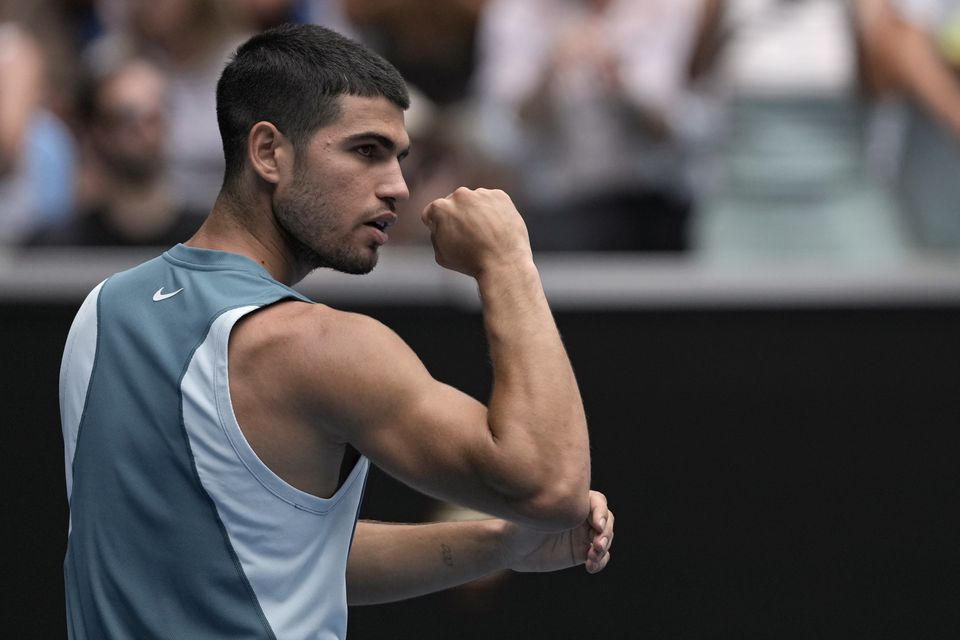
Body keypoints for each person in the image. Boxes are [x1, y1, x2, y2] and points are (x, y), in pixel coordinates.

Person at [59, 23, 613, 639]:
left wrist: (498, 545)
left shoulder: (103, 311)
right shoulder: (316, 345)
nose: (397, 186)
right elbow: (555, 486)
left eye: (400, 158)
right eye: (366, 150)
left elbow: (262, 560)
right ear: (269, 153)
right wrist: (508, 260)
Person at [29, 54, 201, 246]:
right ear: (95, 132)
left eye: (154, 116)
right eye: (126, 118)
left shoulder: (213, 242)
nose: (143, 131)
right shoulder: (57, 246)